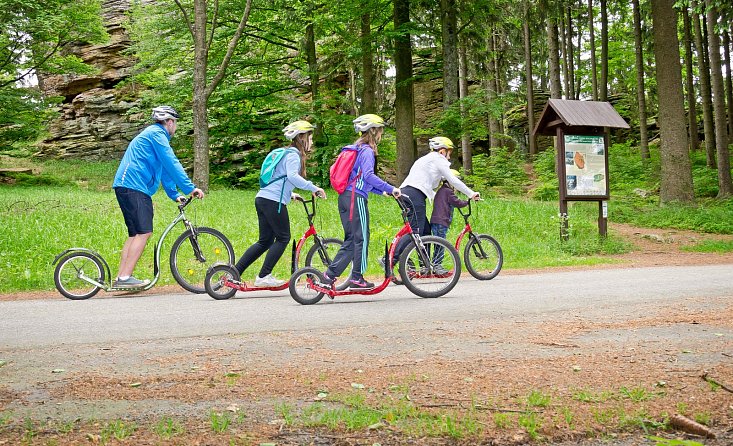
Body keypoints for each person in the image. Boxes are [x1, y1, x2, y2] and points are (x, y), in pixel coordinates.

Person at [112, 106, 204, 288]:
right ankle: (125, 278)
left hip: (126, 186)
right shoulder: (157, 134)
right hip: (134, 186)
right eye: (175, 123)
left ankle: (121, 278)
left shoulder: (153, 135)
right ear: (169, 122)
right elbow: (171, 162)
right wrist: (190, 188)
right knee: (144, 232)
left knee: (135, 234)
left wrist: (174, 194)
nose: (175, 127)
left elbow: (164, 169)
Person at [234, 120, 326, 287]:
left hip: (263, 198)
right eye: (310, 138)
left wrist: (291, 194)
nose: (312, 142)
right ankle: (263, 276)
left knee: (265, 241)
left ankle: (235, 272)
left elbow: (281, 179)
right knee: (283, 237)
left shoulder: (285, 153)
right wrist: (313, 188)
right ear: (301, 137)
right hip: (272, 201)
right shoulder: (293, 155)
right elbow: (292, 176)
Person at [323, 114, 401, 290]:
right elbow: (368, 176)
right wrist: (391, 188)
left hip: (346, 197)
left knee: (352, 240)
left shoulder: (357, 148)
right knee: (362, 238)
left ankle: (329, 276)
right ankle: (357, 278)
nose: (381, 134)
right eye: (380, 130)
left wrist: (382, 192)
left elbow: (361, 180)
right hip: (355, 199)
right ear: (373, 131)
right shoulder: (366, 150)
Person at [391, 136, 479, 265]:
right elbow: (453, 180)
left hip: (407, 193)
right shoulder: (438, 159)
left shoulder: (425, 160)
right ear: (442, 151)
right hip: (415, 195)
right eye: (449, 153)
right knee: (416, 231)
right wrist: (471, 194)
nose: (448, 157)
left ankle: (424, 265)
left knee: (425, 231)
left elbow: (434, 180)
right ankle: (390, 260)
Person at [430, 169, 470, 274]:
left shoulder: (442, 190)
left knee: (438, 244)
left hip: (436, 221)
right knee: (441, 244)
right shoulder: (448, 191)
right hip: (441, 222)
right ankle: (437, 266)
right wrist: (467, 202)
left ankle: (435, 265)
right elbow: (456, 202)